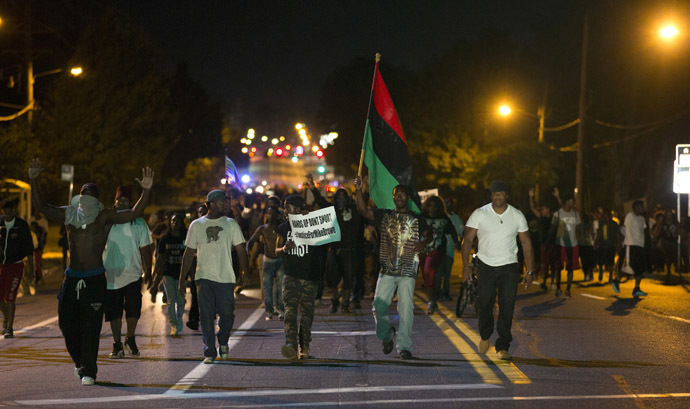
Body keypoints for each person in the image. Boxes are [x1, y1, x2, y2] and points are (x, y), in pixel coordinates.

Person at [28, 158, 154, 386]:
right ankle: (80, 361)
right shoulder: (68, 214)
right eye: (83, 196)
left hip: (95, 279)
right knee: (67, 324)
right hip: (72, 278)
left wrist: (145, 191)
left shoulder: (104, 216)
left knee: (91, 327)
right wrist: (33, 180)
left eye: (91, 197)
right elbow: (42, 207)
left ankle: (89, 371)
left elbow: (134, 213)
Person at [354, 177, 431, 360]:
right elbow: (363, 211)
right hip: (387, 269)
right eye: (397, 195)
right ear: (393, 197)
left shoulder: (417, 219)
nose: (399, 198)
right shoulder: (384, 215)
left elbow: (429, 235)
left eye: (403, 196)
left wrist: (423, 244)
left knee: (405, 308)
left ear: (408, 198)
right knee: (378, 306)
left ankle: (404, 347)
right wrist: (359, 190)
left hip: (407, 270)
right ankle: (387, 334)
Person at [461, 181, 535, 360]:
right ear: (491, 195)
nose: (497, 196)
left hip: (509, 266)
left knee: (507, 305)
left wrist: (530, 271)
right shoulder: (480, 213)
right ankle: (485, 336)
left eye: (501, 193)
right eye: (494, 193)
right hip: (486, 265)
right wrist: (465, 268)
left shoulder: (517, 215)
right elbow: (468, 240)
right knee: (484, 303)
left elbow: (526, 243)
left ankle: (503, 345)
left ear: (506, 195)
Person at [178, 189, 249, 364]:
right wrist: (182, 279)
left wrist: (245, 273)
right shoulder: (196, 224)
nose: (225, 204)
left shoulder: (231, 224)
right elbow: (189, 252)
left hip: (225, 277)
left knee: (227, 314)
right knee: (206, 315)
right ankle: (209, 350)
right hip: (204, 277)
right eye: (222, 201)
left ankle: (223, 340)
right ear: (210, 204)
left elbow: (241, 249)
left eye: (226, 201)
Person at [103, 186, 153, 359]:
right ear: (114, 202)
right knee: (113, 312)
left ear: (132, 203)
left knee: (133, 310)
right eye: (119, 200)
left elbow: (146, 249)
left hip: (133, 273)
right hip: (111, 275)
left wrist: (149, 272)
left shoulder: (139, 223)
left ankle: (130, 337)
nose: (122, 202)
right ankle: (117, 344)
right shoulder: (107, 222)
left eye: (126, 200)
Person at [275, 195, 324, 360]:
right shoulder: (283, 228)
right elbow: (274, 250)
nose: (289, 211)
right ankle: (290, 344)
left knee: (307, 313)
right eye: (287, 208)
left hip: (310, 276)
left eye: (293, 208)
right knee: (289, 311)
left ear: (300, 209)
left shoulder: (313, 225)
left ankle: (304, 346)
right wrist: (283, 249)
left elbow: (326, 241)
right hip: (291, 276)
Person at [1, 199, 35, 338]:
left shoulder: (21, 225)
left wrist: (31, 269)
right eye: (4, 210)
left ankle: (9, 328)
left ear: (13, 210)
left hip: (16, 265)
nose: (7, 213)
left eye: (9, 210)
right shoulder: (0, 224)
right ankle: (7, 316)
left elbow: (29, 247)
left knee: (10, 297)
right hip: (2, 266)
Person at [420, 196, 458, 314]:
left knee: (429, 270)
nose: (432, 208)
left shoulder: (444, 219)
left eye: (435, 206)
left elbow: (452, 231)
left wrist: (457, 243)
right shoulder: (421, 218)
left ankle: (431, 302)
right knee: (426, 276)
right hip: (422, 250)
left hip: (437, 250)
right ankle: (433, 301)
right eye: (430, 205)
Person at [246, 206, 285, 320]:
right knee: (267, 287)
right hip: (268, 261)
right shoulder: (262, 229)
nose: (271, 216)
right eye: (269, 213)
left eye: (273, 214)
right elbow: (251, 241)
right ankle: (269, 311)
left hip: (279, 260)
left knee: (280, 287)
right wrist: (248, 252)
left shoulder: (281, 228)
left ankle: (280, 309)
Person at [154, 214, 187, 335]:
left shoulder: (186, 236)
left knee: (181, 300)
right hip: (167, 272)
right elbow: (160, 257)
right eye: (173, 221)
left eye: (177, 221)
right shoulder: (165, 238)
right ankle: (173, 324)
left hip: (181, 272)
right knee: (171, 299)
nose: (175, 224)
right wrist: (155, 274)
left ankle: (179, 320)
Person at [613, 200, 649, 296]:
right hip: (631, 245)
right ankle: (616, 280)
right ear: (636, 207)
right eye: (641, 207)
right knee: (630, 268)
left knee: (640, 268)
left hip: (640, 245)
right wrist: (620, 242)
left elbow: (643, 231)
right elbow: (623, 228)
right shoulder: (630, 216)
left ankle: (636, 288)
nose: (643, 209)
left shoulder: (642, 219)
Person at [550, 192, 580, 299]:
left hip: (572, 245)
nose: (573, 203)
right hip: (560, 244)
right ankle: (558, 288)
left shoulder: (576, 214)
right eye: (571, 201)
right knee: (558, 268)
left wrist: (577, 242)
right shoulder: (557, 214)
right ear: (567, 201)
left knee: (570, 269)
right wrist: (550, 242)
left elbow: (577, 230)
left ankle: (568, 289)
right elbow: (552, 230)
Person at [595, 209, 620, 283]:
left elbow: (617, 234)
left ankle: (610, 276)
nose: (604, 216)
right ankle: (601, 272)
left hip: (611, 244)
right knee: (601, 261)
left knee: (611, 261)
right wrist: (596, 242)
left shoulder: (614, 224)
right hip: (602, 244)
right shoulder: (601, 223)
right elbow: (599, 233)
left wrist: (618, 243)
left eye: (605, 214)